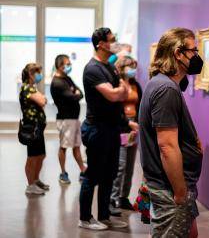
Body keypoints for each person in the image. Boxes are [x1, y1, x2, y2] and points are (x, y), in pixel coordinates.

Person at [139, 27, 204, 237]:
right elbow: (167, 147)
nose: (196, 56)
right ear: (178, 53)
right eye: (193, 51)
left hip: (172, 184)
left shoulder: (162, 84)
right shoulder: (166, 89)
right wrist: (180, 192)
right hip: (171, 187)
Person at [78, 27, 132, 231]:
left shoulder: (110, 68)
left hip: (111, 129)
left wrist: (119, 91)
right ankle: (84, 218)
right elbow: (113, 95)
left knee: (109, 174)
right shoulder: (92, 69)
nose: (115, 43)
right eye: (112, 40)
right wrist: (119, 91)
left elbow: (123, 93)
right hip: (96, 129)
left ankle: (104, 215)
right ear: (101, 44)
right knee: (93, 175)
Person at [110, 55, 142, 212]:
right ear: (121, 68)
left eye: (134, 66)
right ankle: (113, 197)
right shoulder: (116, 85)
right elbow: (114, 108)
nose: (133, 70)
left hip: (134, 128)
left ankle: (123, 197)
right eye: (130, 66)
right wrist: (127, 122)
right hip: (120, 127)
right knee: (120, 165)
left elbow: (141, 105)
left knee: (130, 166)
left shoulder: (136, 85)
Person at [50, 54, 86, 184]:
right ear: (59, 66)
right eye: (67, 64)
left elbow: (80, 93)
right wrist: (75, 94)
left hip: (74, 118)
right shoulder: (57, 83)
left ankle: (83, 170)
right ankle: (63, 173)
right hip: (65, 120)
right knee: (64, 146)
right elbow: (73, 97)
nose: (69, 66)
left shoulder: (67, 79)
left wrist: (76, 93)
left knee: (76, 146)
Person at [19, 63, 49, 195]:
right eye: (37, 72)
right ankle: (30, 185)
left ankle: (36, 180)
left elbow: (43, 100)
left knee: (41, 155)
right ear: (31, 74)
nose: (39, 75)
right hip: (31, 128)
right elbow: (43, 101)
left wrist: (41, 97)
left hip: (38, 128)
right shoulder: (26, 89)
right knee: (32, 157)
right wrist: (41, 97)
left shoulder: (32, 88)